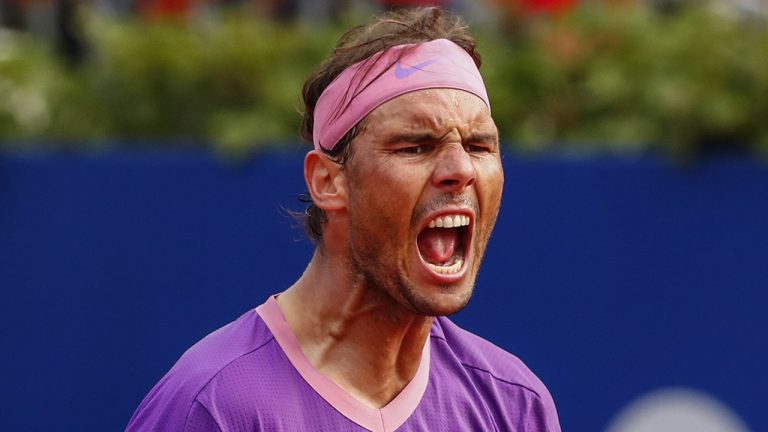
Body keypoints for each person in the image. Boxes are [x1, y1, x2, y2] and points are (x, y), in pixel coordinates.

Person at [126, 6, 561, 431]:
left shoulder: (515, 406)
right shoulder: (212, 406)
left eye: (479, 146)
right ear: (328, 181)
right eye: (415, 147)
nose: (461, 170)